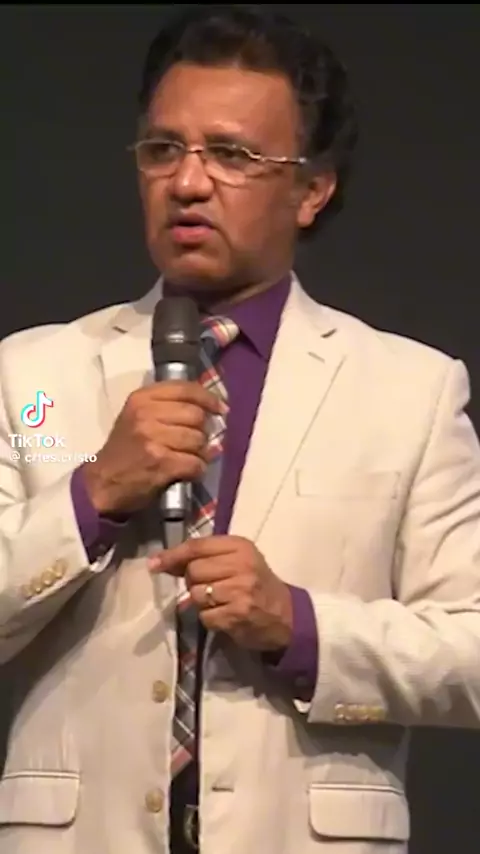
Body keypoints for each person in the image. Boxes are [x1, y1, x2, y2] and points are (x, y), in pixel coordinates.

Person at [1, 4, 480, 853]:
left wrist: (299, 624)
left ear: (312, 189)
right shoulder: (32, 377)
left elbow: (472, 652)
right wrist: (93, 493)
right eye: (163, 149)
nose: (188, 183)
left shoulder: (409, 391)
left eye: (232, 155)